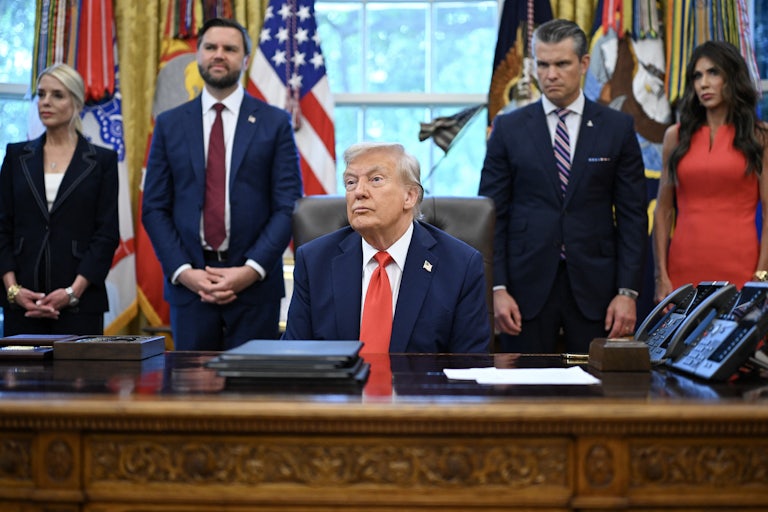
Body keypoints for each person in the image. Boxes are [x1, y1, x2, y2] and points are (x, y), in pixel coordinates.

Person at [478, 19, 647, 354]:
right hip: (523, 290)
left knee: (597, 398)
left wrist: (627, 293)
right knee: (524, 398)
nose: (550, 74)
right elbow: (492, 216)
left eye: (561, 64)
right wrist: (496, 287)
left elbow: (633, 217)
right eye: (543, 64)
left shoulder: (617, 127)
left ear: (583, 64)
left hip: (598, 289)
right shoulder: (508, 128)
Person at [143, 18, 303, 350]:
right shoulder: (170, 124)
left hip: (255, 287)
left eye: (230, 49)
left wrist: (250, 270)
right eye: (211, 47)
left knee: (251, 398)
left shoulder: (274, 123)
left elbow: (287, 205)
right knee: (191, 395)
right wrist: (185, 272)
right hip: (190, 287)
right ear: (198, 55)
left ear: (245, 59)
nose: (219, 55)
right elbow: (155, 208)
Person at [284, 142, 490, 354]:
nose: (359, 192)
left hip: (421, 387)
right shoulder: (314, 260)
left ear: (409, 196)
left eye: (375, 179)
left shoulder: (460, 266)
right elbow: (293, 357)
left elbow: (468, 367)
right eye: (350, 182)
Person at [0, 63, 119, 335]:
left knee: (81, 377)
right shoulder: (17, 156)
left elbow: (106, 234)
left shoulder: (102, 161)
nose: (46, 102)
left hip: (81, 304)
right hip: (21, 301)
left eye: (57, 95)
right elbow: (2, 226)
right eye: (41, 94)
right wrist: (13, 290)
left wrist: (72, 292)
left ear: (76, 102)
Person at [653, 41, 768, 302]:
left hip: (741, 266)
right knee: (682, 341)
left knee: (735, 341)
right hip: (683, 267)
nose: (704, 83)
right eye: (697, 75)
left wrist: (762, 276)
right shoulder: (676, 136)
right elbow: (663, 210)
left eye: (713, 73)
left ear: (732, 76)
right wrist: (661, 275)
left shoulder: (759, 136)